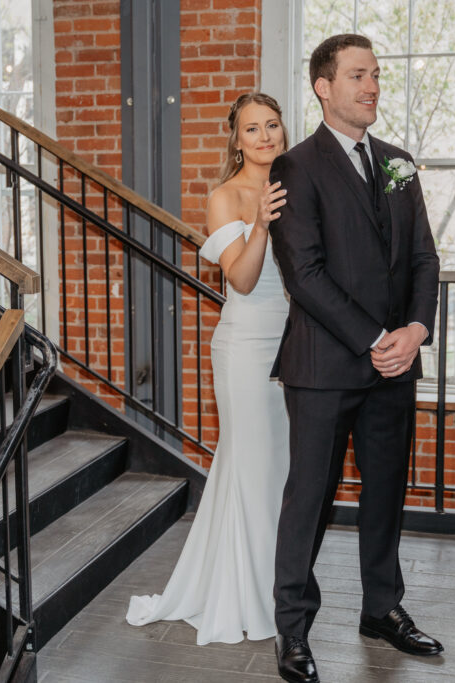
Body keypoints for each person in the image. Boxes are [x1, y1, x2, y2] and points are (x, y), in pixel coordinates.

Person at [267, 34, 443, 683]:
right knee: (308, 497)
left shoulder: (399, 163)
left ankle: (382, 607)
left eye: (375, 75)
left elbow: (425, 258)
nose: (372, 86)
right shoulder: (296, 166)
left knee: (386, 493)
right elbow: (305, 275)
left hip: (395, 365)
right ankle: (293, 629)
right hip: (322, 368)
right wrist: (376, 337)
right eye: (358, 75)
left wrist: (416, 329)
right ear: (324, 86)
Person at [126, 92, 291, 645]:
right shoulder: (226, 197)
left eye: (272, 125)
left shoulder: (297, 187)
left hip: (296, 346)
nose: (265, 136)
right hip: (246, 346)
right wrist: (262, 224)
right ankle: (250, 601)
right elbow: (242, 280)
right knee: (252, 465)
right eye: (252, 129)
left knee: (274, 473)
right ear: (236, 140)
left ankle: (272, 588)